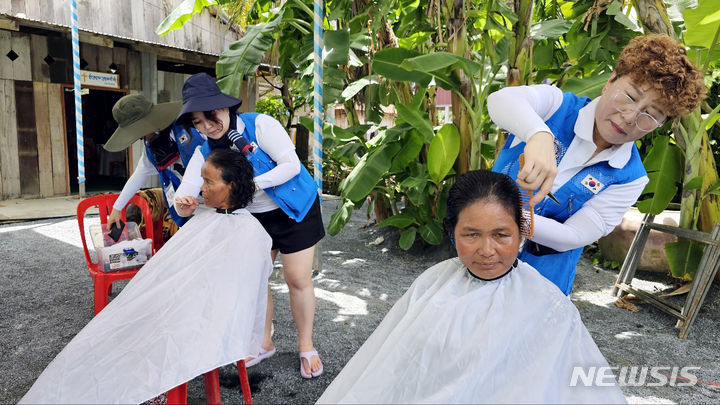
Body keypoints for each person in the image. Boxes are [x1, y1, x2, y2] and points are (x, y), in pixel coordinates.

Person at [317, 170, 626, 404]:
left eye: (501, 235)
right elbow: (399, 365)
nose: (487, 250)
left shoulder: (548, 304)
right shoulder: (433, 285)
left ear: (521, 234)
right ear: (452, 233)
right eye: (471, 234)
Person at [21, 149, 272, 403]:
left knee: (140, 332)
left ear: (231, 185)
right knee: (119, 328)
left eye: (208, 182)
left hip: (207, 320)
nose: (202, 189)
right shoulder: (205, 220)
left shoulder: (250, 232)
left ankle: (143, 390)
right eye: (202, 180)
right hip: (189, 306)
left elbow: (232, 292)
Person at [490, 34, 706, 295]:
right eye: (629, 96)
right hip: (481, 259)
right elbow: (500, 101)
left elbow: (572, 236)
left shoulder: (630, 177)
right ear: (611, 80)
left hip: (544, 286)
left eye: (651, 115)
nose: (629, 117)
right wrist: (539, 135)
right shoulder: (555, 106)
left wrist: (512, 216)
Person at [173, 73, 326, 378]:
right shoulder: (204, 150)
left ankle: (306, 345)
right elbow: (185, 192)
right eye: (197, 122)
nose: (207, 127)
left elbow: (291, 165)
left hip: (295, 208)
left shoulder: (259, 125)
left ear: (224, 107)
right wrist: (184, 203)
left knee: (297, 279)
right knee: (257, 280)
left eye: (210, 117)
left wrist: (251, 185)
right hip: (253, 221)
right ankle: (263, 342)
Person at [103, 94, 206, 241]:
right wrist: (116, 209)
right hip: (189, 205)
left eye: (137, 131)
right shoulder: (151, 148)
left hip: (215, 196)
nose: (138, 137)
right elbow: (139, 175)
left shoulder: (191, 128)